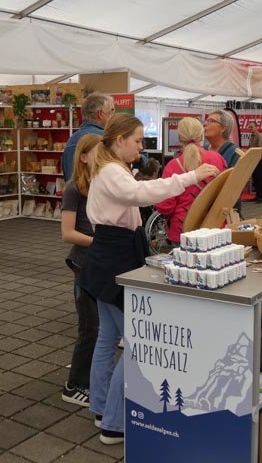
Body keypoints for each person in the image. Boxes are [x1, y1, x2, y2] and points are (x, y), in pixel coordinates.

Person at [81, 114, 219, 445]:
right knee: (137, 344)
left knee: (107, 337)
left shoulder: (110, 168)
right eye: (138, 140)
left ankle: (101, 407)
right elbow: (142, 194)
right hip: (114, 259)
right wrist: (191, 177)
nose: (142, 147)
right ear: (119, 140)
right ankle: (113, 424)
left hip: (107, 256)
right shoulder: (112, 171)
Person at [61, 134, 101, 408]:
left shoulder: (102, 184)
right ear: (84, 157)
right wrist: (99, 242)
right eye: (98, 152)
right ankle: (74, 385)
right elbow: (67, 233)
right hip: (84, 263)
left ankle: (90, 379)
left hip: (100, 262)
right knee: (90, 326)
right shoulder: (74, 188)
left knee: (99, 327)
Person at [155, 117, 226, 244]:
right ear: (202, 135)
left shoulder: (172, 166)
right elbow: (227, 191)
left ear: (180, 138)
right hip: (213, 227)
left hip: (183, 229)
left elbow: (165, 206)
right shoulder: (218, 158)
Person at [62, 93, 115, 180]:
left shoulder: (71, 140)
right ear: (100, 114)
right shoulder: (107, 137)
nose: (113, 116)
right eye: (111, 111)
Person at [248, 121, 262, 202]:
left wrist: (252, 152)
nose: (250, 128)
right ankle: (258, 195)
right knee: (255, 178)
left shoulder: (259, 136)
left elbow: (260, 148)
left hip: (259, 158)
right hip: (254, 158)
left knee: (260, 178)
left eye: (251, 127)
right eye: (249, 127)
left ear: (256, 127)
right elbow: (250, 147)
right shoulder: (251, 136)